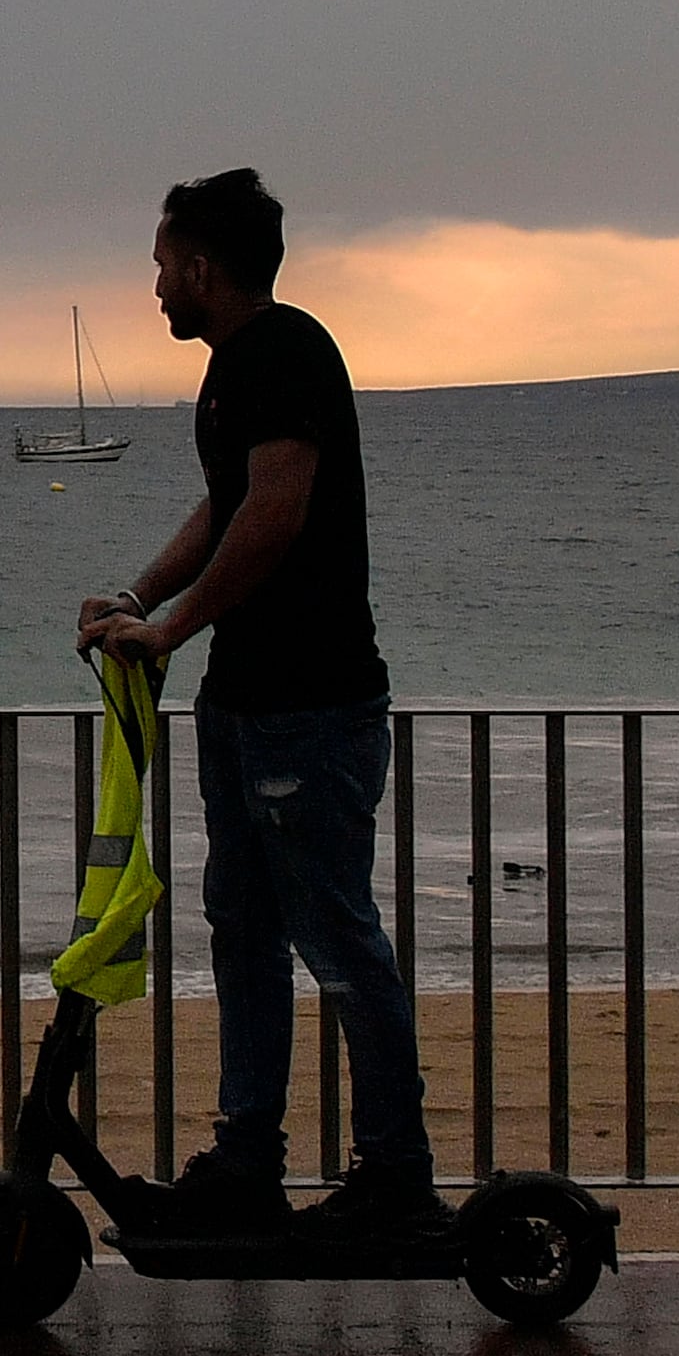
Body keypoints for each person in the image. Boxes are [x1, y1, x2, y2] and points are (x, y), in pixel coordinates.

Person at [71, 168, 444, 1252]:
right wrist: (138, 598)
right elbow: (223, 504)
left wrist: (170, 632)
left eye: (158, 266)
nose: (151, 287)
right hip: (245, 706)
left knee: (332, 935)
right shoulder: (237, 370)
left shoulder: (284, 353)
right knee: (241, 932)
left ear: (200, 264)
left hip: (310, 706)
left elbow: (274, 517)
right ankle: (246, 1162)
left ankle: (395, 1175)